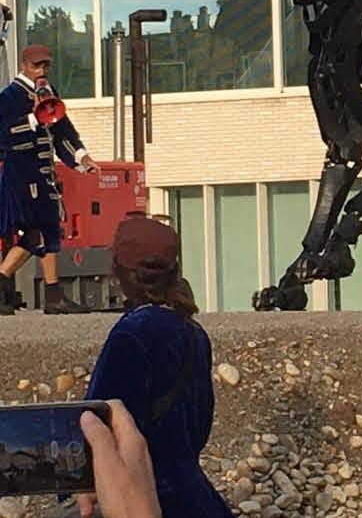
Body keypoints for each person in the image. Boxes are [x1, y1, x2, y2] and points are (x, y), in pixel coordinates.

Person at [82, 216, 223, 517]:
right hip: (198, 497)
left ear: (117, 269)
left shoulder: (131, 334)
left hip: (149, 497)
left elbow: (101, 425)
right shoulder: (193, 331)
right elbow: (201, 424)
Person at [0, 44, 95, 314]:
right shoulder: (9, 96)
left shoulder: (49, 93)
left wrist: (82, 157)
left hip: (43, 173)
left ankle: (12, 282)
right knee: (44, 227)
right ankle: (53, 294)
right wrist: (32, 118)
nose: (41, 71)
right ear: (23, 66)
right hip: (20, 172)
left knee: (39, 232)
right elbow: (3, 136)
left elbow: (63, 131)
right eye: (36, 66)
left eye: (45, 66)